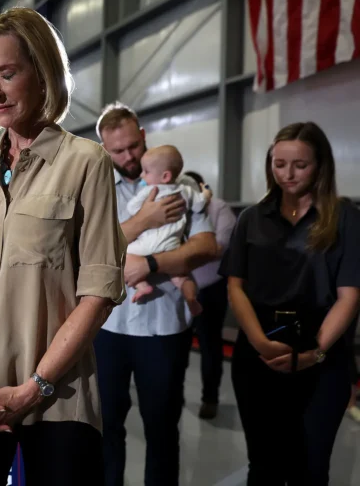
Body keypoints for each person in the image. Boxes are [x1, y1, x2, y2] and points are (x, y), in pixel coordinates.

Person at [0, 7, 127, 485]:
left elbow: (98, 291)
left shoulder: (86, 163)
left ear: (42, 73)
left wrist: (35, 387)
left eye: (7, 74)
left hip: (56, 400)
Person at [220, 121, 360, 485]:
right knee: (263, 465)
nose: (288, 174)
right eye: (279, 164)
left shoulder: (345, 218)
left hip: (322, 351)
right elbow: (236, 287)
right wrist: (259, 342)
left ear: (320, 165)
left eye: (300, 165)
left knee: (310, 468)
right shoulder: (252, 218)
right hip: (259, 348)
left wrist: (316, 352)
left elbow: (349, 296)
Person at [95, 101, 217, 486]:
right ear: (104, 150)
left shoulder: (181, 185)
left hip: (165, 327)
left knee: (162, 430)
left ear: (143, 135)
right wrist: (143, 221)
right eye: (118, 150)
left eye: (133, 145)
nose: (129, 156)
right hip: (107, 326)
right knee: (105, 428)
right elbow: (91, 251)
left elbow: (206, 247)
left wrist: (149, 264)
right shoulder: (96, 188)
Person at [126, 145, 208, 313]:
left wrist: (144, 210)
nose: (142, 175)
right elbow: (199, 204)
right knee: (180, 277)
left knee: (120, 257)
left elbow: (131, 208)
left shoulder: (150, 190)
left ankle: (142, 285)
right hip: (173, 246)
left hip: (148, 245)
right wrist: (206, 194)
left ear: (165, 176)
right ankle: (191, 297)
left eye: (146, 172)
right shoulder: (185, 190)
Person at [182, 170, 236, 420]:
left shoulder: (220, 208)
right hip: (179, 285)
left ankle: (210, 399)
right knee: (176, 345)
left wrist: (179, 255)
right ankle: (175, 393)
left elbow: (218, 247)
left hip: (210, 286)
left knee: (210, 345)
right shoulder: (175, 205)